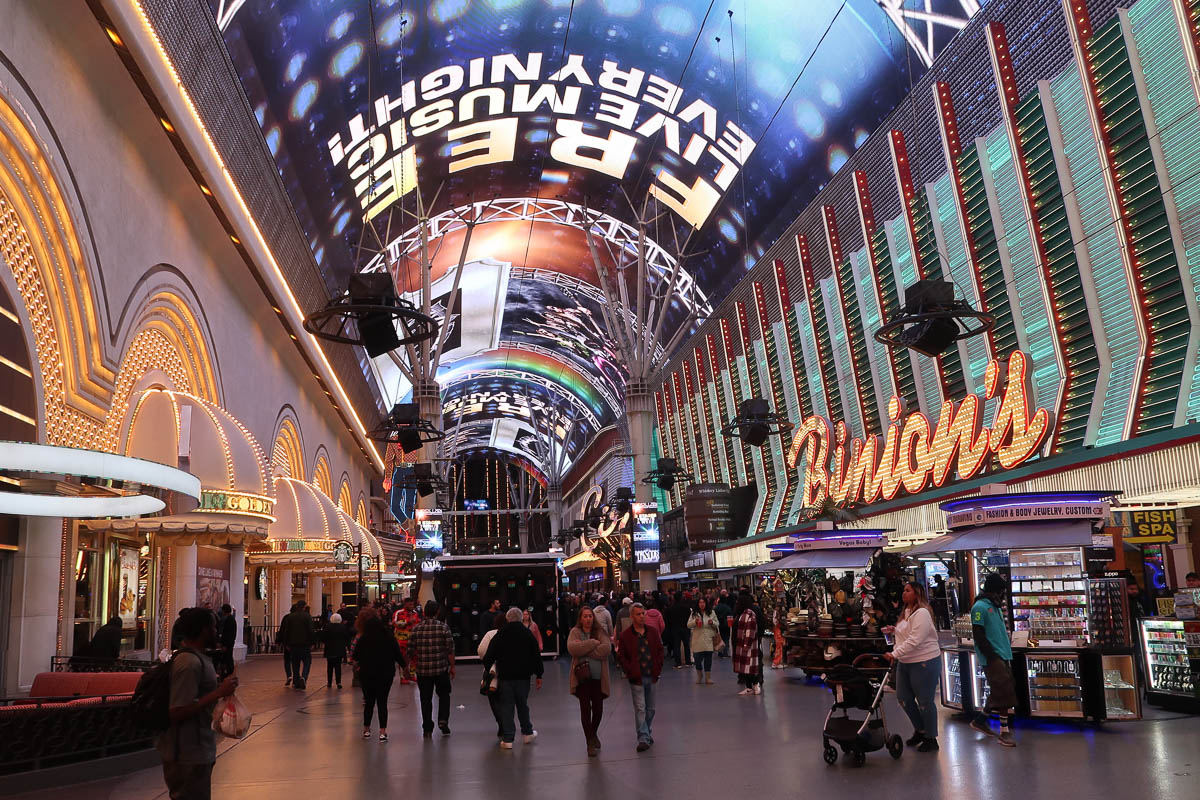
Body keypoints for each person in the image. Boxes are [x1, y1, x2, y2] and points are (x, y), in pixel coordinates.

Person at [157, 607, 238, 800]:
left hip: (198, 747)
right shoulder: (188, 663)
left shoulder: (198, 659)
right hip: (187, 751)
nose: (216, 631)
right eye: (213, 626)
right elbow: (177, 710)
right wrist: (219, 692)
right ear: (203, 630)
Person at [883, 581, 942, 752]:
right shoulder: (906, 612)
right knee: (904, 698)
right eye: (903, 590)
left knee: (924, 701)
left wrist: (894, 654)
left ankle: (931, 738)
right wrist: (895, 630)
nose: (904, 593)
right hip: (906, 662)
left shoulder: (922, 612)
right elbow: (907, 633)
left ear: (916, 593)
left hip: (924, 661)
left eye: (907, 590)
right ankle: (921, 729)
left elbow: (916, 639)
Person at [483, 607, 544, 749]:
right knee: (523, 705)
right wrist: (539, 675)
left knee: (507, 707)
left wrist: (489, 669)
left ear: (507, 619)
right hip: (523, 677)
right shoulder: (527, 634)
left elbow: (489, 656)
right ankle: (527, 733)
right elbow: (536, 655)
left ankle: (508, 739)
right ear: (521, 618)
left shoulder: (500, 635)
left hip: (505, 677)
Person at [971, 572, 1017, 747]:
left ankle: (980, 720)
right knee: (1004, 692)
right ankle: (1004, 732)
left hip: (1003, 654)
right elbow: (978, 635)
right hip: (993, 656)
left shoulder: (995, 606)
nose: (1002, 595)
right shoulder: (980, 607)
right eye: (1000, 591)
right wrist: (991, 655)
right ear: (994, 591)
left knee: (1001, 689)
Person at [616, 603, 663, 752]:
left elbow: (660, 650)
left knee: (651, 709)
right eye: (638, 614)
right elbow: (621, 655)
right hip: (637, 677)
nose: (642, 616)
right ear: (632, 616)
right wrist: (629, 670)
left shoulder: (653, 633)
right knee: (640, 709)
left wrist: (658, 666)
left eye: (643, 613)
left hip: (652, 675)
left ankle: (647, 731)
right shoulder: (626, 636)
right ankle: (643, 738)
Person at [351, 613, 406, 742]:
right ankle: (382, 731)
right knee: (382, 702)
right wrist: (405, 667)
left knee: (369, 702)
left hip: (367, 674)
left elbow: (356, 656)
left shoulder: (363, 639)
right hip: (385, 674)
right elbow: (398, 655)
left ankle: (366, 730)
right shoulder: (389, 638)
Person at [568, 606, 611, 757]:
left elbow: (606, 649)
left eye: (590, 616)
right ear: (580, 618)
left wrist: (584, 647)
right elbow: (572, 648)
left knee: (598, 710)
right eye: (585, 616)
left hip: (598, 679)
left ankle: (593, 734)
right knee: (585, 710)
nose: (588, 619)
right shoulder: (575, 632)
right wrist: (593, 643)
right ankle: (589, 742)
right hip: (582, 680)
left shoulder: (600, 632)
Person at [409, 600, 456, 737]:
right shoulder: (443, 627)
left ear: (424, 612)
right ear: (437, 612)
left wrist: (408, 666)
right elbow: (450, 649)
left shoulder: (416, 629)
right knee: (444, 695)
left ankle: (427, 727)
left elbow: (411, 651)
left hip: (423, 671)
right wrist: (452, 667)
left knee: (425, 699)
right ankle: (443, 720)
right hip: (440, 669)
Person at [478, 613, 506, 740]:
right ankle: (507, 724)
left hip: (492, 672)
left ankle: (501, 723)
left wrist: (490, 659)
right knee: (507, 700)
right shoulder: (512, 633)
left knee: (493, 698)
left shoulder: (490, 634)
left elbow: (481, 650)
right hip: (509, 672)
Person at [279, 601, 316, 689]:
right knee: (307, 661)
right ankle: (304, 676)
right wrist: (313, 642)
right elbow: (311, 630)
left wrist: (286, 643)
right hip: (305, 644)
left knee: (295, 663)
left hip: (293, 644)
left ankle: (295, 681)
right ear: (304, 607)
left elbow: (287, 631)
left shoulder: (290, 617)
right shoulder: (307, 616)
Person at [732, 590, 763, 695]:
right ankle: (749, 687)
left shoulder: (749, 615)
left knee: (750, 666)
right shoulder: (743, 614)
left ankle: (755, 685)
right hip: (743, 645)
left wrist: (746, 644)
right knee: (746, 667)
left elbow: (751, 631)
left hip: (747, 646)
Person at [688, 597, 720, 685]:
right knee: (697, 658)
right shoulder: (694, 614)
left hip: (708, 639)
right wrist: (695, 621)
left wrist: (712, 622)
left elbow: (717, 623)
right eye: (700, 602)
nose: (702, 604)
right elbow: (688, 625)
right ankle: (699, 675)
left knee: (708, 659)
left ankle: (708, 677)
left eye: (703, 602)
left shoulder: (711, 612)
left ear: (706, 603)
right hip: (697, 640)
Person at [390, 595, 421, 684]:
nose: (412, 606)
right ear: (405, 604)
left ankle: (411, 674)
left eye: (412, 604)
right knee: (403, 659)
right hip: (401, 639)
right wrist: (407, 622)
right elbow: (394, 623)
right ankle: (403, 676)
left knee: (415, 657)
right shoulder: (398, 613)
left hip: (413, 639)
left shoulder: (415, 613)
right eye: (410, 604)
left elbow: (418, 623)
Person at [321, 612, 352, 689]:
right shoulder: (342, 627)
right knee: (338, 666)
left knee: (330, 666)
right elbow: (347, 637)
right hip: (339, 649)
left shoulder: (327, 627)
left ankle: (329, 682)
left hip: (329, 649)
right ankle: (338, 682)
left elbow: (323, 638)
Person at [668, 593, 693, 669]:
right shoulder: (686, 608)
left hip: (675, 629)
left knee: (676, 646)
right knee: (686, 645)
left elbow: (669, 620)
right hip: (685, 628)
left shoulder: (671, 608)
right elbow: (690, 618)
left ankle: (678, 663)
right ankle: (688, 662)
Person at [216, 604, 237, 678]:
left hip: (228, 643)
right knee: (227, 658)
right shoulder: (230, 619)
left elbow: (229, 633)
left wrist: (225, 645)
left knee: (228, 658)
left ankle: (229, 673)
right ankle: (229, 673)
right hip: (229, 643)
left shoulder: (229, 620)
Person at [715, 592, 733, 657]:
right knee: (726, 638)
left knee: (720, 638)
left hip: (719, 624)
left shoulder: (716, 607)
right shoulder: (727, 607)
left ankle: (720, 652)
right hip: (726, 624)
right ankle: (725, 652)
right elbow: (730, 615)